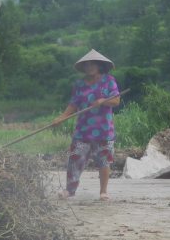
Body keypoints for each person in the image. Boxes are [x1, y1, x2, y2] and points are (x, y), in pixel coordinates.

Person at [52, 49, 121, 201]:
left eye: (92, 64)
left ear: (99, 65)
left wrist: (103, 101)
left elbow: (116, 101)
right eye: (86, 65)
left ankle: (103, 192)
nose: (89, 67)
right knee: (75, 159)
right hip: (82, 131)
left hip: (103, 130)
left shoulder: (109, 80)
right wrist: (62, 117)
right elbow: (73, 104)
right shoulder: (79, 84)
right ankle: (70, 190)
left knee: (104, 161)